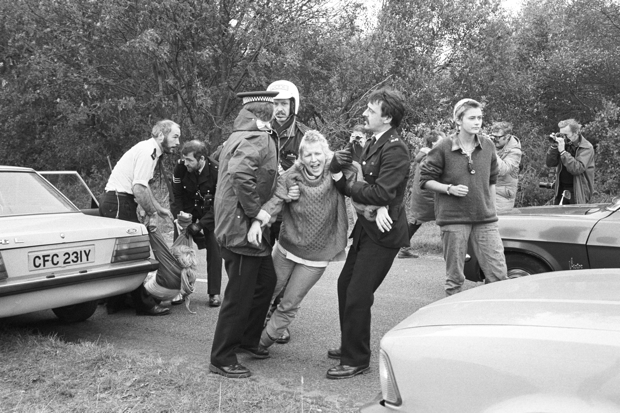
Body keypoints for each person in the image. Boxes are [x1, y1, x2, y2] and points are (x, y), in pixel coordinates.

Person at [327, 88, 411, 380]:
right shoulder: (373, 142)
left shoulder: (396, 148)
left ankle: (356, 359)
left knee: (358, 294)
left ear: (386, 117)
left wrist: (355, 191)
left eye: (371, 110)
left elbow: (383, 191)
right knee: (345, 286)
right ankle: (350, 343)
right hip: (366, 227)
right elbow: (356, 177)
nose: (364, 113)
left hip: (384, 235)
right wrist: (338, 169)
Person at [258, 130, 354, 351]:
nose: (314, 160)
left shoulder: (336, 170)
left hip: (317, 254)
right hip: (287, 246)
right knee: (266, 292)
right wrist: (260, 219)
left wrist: (379, 207)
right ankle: (246, 335)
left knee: (289, 303)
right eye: (308, 155)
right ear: (301, 157)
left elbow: (363, 175)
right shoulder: (292, 175)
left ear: (326, 154)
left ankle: (261, 343)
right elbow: (276, 198)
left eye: (318, 154)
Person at [209, 90, 280, 379]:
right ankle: (222, 356)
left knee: (266, 281)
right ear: (266, 113)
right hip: (241, 230)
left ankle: (248, 340)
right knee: (238, 295)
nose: (278, 111)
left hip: (243, 228)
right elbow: (240, 173)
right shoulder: (255, 137)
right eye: (275, 107)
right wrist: (257, 213)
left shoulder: (242, 134)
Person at [420, 99, 507, 296]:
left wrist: (492, 210)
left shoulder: (488, 146)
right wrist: (449, 188)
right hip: (453, 218)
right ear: (458, 120)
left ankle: (494, 318)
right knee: (455, 279)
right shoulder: (443, 146)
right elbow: (425, 180)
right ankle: (454, 319)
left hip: (485, 219)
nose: (478, 122)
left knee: (498, 274)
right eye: (472, 118)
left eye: (480, 118)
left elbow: (492, 181)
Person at [99, 119, 180, 316]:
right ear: (161, 135)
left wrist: (158, 207)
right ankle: (144, 305)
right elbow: (138, 188)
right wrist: (151, 213)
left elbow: (142, 186)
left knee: (123, 256)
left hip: (118, 201)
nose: (178, 142)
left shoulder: (149, 150)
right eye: (175, 136)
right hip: (119, 201)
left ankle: (115, 302)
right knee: (136, 254)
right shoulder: (148, 152)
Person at [263, 79, 311, 344]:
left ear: (293, 105)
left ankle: (276, 317)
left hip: (291, 215)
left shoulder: (305, 136)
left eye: (283, 104)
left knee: (286, 270)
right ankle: (256, 312)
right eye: (275, 103)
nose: (279, 109)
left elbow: (315, 173)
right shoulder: (259, 131)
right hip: (263, 212)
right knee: (261, 267)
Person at [170, 139, 222, 308]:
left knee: (214, 245)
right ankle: (177, 288)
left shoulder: (216, 170)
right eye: (184, 159)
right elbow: (176, 196)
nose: (186, 163)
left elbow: (220, 204)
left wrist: (200, 226)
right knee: (178, 248)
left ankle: (214, 292)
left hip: (209, 213)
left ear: (201, 158)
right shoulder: (180, 168)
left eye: (189, 160)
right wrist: (179, 218)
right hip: (187, 210)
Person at [398, 129, 445, 258]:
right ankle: (450, 249)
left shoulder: (425, 154)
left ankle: (403, 248)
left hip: (424, 194)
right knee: (445, 219)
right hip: (429, 194)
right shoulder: (431, 156)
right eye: (441, 141)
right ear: (434, 143)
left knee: (416, 221)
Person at [545, 118, 595, 205]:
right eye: (561, 134)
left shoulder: (586, 147)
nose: (563, 137)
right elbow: (550, 163)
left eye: (565, 135)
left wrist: (563, 152)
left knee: (576, 217)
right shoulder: (564, 144)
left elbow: (577, 169)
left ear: (575, 133)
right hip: (561, 187)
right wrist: (554, 147)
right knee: (560, 217)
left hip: (579, 190)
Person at [490, 122, 522, 212]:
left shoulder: (515, 152)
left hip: (502, 197)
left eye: (497, 137)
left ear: (507, 137)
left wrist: (491, 149)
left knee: (500, 224)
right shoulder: (496, 146)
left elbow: (503, 170)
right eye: (493, 136)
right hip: (488, 191)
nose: (494, 139)